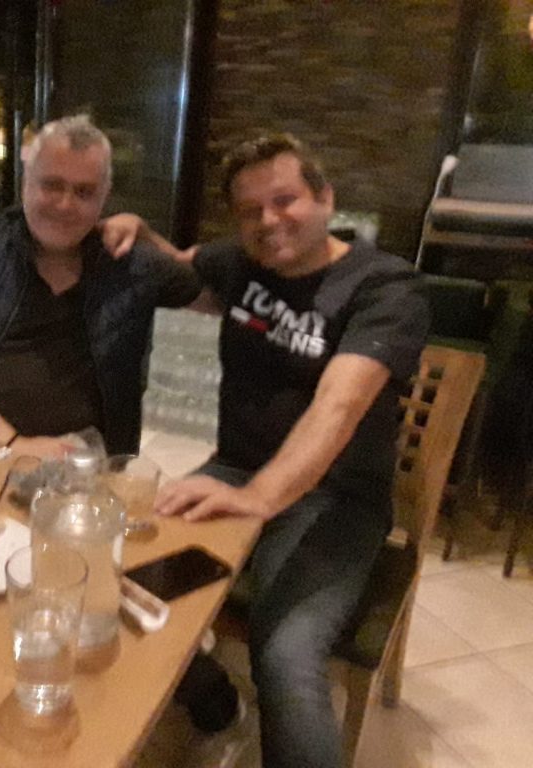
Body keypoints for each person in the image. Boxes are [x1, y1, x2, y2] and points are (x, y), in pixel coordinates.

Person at [103, 133, 430, 768]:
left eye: (285, 200)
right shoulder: (239, 263)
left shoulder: (385, 288)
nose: (269, 221)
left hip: (339, 498)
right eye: (250, 210)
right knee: (120, 588)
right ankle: (216, 706)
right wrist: (139, 231)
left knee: (285, 654)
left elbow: (338, 406)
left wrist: (258, 497)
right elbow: (182, 263)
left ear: (325, 198)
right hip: (235, 470)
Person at [0, 115, 202, 458]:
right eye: (52, 185)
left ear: (104, 197)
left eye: (84, 192)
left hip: (93, 464)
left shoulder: (129, 262)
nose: (65, 204)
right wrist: (14, 445)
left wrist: (146, 234)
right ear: (26, 183)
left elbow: (206, 287)